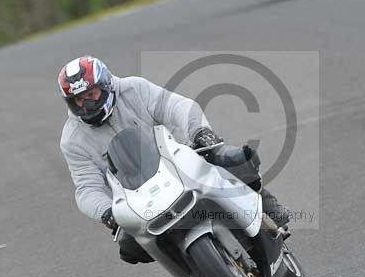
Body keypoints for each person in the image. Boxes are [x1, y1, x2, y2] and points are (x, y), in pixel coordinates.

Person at [58, 56, 291, 264]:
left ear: (106, 85)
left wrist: (199, 132)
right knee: (129, 246)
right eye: (78, 100)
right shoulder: (72, 139)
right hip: (139, 197)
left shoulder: (134, 89)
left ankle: (267, 207)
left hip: (179, 159)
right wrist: (106, 212)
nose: (86, 104)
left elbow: (176, 107)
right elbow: (87, 187)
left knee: (230, 158)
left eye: (90, 95)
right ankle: (194, 268)